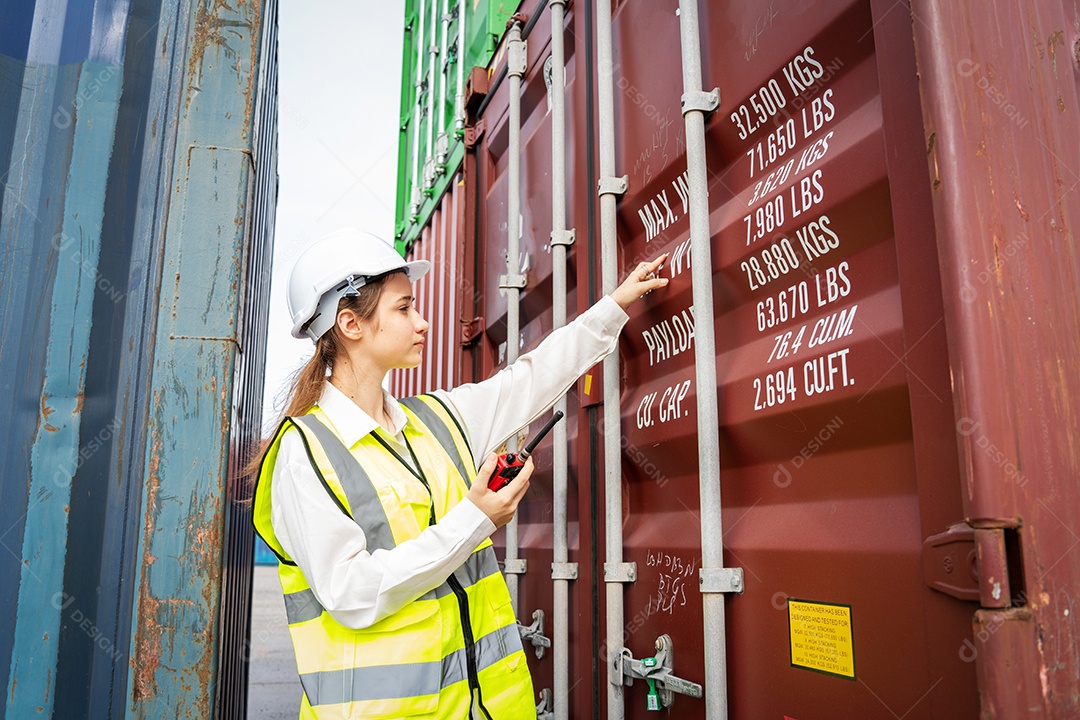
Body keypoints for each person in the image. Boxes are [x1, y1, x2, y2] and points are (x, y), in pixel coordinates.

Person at [252, 228, 669, 719]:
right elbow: (351, 593)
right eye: (404, 309)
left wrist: (613, 307)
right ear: (350, 324)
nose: (422, 322)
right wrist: (476, 518)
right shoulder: (303, 454)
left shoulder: (437, 420)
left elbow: (530, 380)